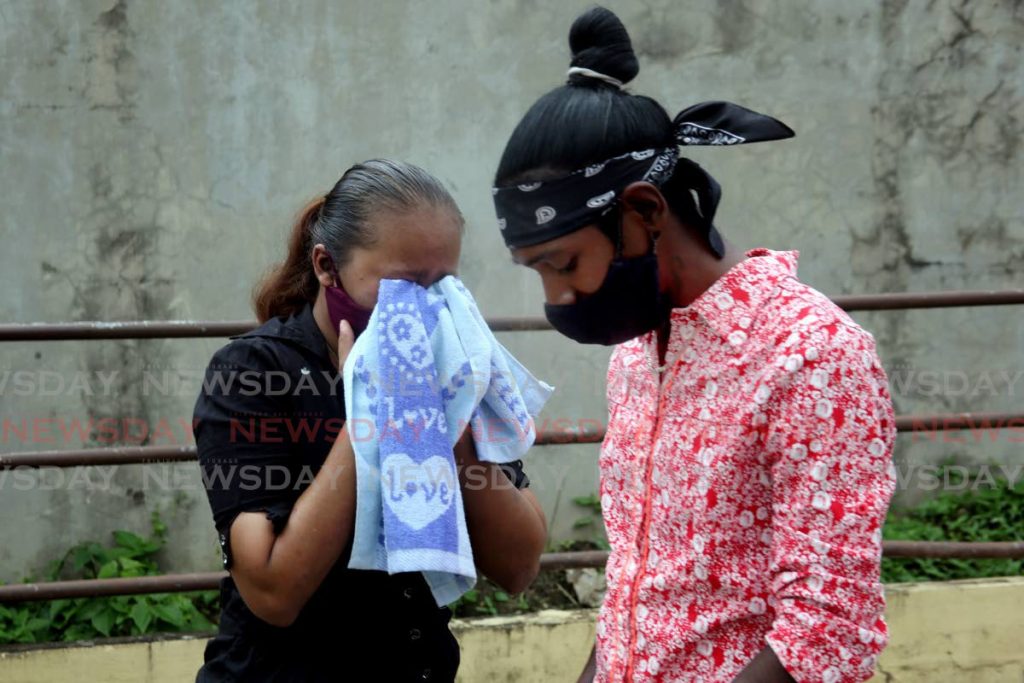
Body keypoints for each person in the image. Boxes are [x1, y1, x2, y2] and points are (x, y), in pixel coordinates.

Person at [492, 8, 895, 683]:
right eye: (537, 272)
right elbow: (635, 596)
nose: (556, 297)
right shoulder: (636, 352)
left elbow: (829, 631)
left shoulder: (812, 353)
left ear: (645, 213)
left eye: (563, 264)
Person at [193, 159, 547, 682]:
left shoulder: (453, 365)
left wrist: (440, 417)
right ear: (326, 267)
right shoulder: (254, 373)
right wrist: (373, 408)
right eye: (401, 286)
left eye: (442, 286)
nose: (422, 308)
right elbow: (273, 592)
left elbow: (519, 566)